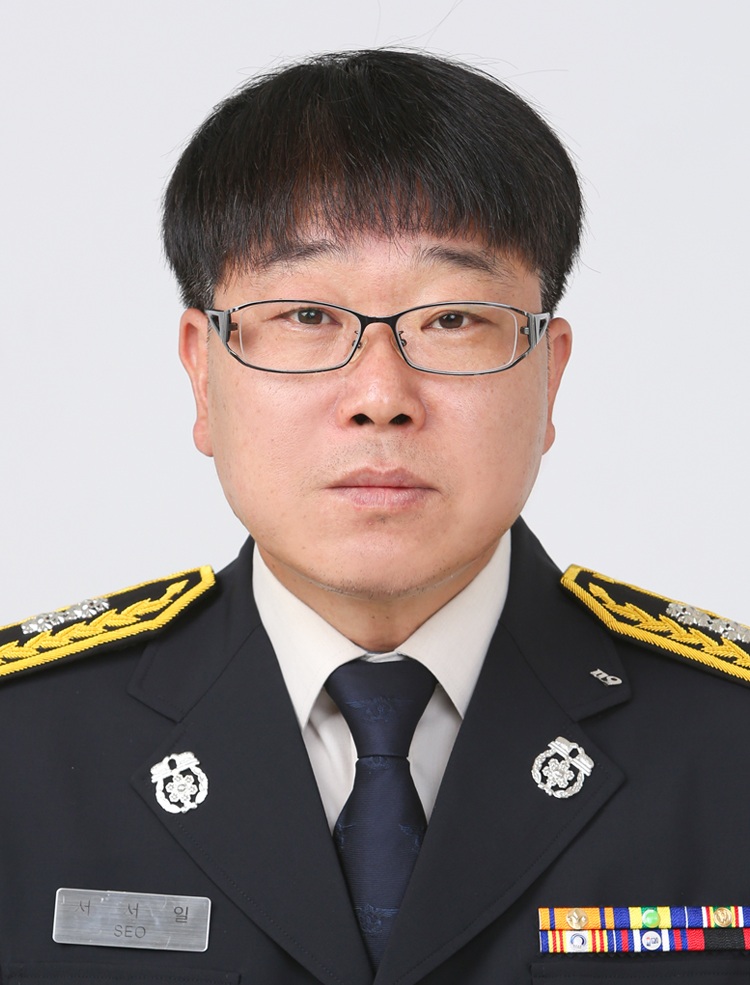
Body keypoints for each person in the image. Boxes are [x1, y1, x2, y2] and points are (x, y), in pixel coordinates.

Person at [1, 48, 749, 985]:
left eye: (452, 319)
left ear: (549, 375)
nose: (381, 397)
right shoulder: (23, 748)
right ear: (201, 368)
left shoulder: (728, 745)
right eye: (307, 316)